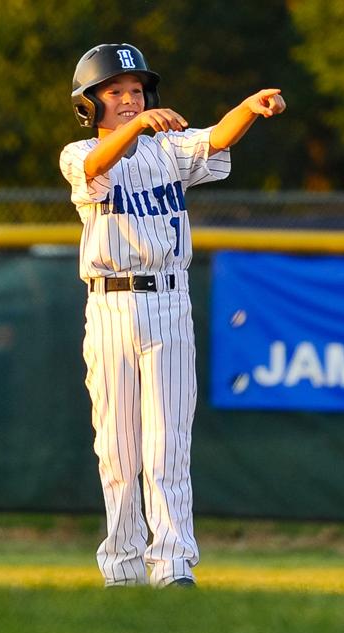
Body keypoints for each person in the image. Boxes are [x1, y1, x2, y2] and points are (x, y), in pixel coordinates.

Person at [59, 43, 285, 588]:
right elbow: (95, 165)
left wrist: (250, 108)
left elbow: (216, 136)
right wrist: (134, 131)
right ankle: (122, 568)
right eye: (115, 91)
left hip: (167, 298)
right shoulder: (77, 151)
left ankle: (174, 564)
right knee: (116, 447)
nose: (130, 99)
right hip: (110, 301)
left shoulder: (168, 150)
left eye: (137, 90)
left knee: (167, 444)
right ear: (90, 104)